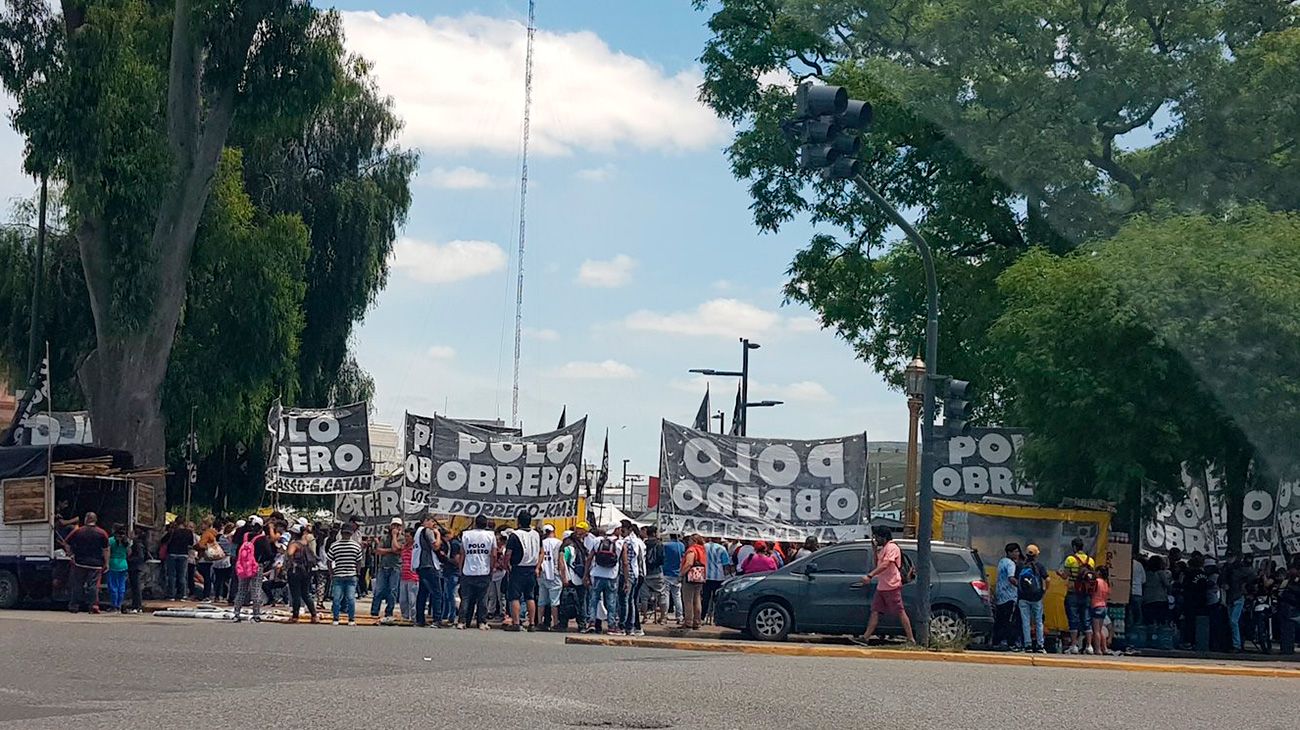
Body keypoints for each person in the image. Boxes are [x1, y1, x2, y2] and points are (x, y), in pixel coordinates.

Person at [853, 526, 915, 646]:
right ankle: (865, 638)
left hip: (891, 585)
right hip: (883, 586)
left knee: (900, 611)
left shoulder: (892, 547)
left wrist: (870, 576)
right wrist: (875, 550)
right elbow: (878, 564)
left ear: (884, 537)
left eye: (877, 537)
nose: (876, 539)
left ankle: (911, 639)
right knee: (875, 611)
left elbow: (886, 564)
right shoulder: (884, 549)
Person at [65, 512, 109, 614]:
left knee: (77, 585)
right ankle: (93, 605)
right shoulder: (102, 533)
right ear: (95, 520)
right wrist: (106, 563)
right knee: (93, 585)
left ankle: (74, 606)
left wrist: (71, 554)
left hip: (80, 562)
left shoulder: (78, 531)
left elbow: (66, 542)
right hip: (96, 564)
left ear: (86, 519)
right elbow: (106, 549)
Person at [233, 516, 275, 623]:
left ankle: (236, 613)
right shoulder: (261, 538)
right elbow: (269, 554)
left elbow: (234, 541)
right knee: (256, 589)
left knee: (241, 589)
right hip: (257, 566)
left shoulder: (244, 536)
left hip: (243, 565)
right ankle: (256, 614)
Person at [1059, 537, 1096, 654]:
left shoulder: (1070, 559)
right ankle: (1089, 646)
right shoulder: (1091, 561)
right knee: (1086, 619)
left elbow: (1066, 575)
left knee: (1073, 619)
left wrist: (1060, 574)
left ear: (1074, 547)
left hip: (1073, 592)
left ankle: (1074, 645)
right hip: (1086, 594)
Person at [505, 512, 541, 632]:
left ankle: (516, 623)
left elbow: (508, 553)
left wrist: (506, 565)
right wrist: (537, 566)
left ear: (518, 522)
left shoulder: (515, 535)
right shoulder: (536, 534)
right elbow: (542, 552)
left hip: (518, 568)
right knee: (529, 596)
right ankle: (531, 623)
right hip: (531, 568)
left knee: (514, 596)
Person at [458, 515, 496, 630]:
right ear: (485, 524)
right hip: (483, 570)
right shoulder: (491, 535)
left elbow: (462, 554)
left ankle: (462, 621)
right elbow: (493, 554)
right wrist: (492, 568)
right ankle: (481, 622)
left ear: (475, 523)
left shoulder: (466, 534)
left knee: (465, 598)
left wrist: (461, 569)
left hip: (468, 570)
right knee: (482, 598)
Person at [585, 525, 623, 634]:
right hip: (612, 576)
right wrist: (626, 580)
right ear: (616, 530)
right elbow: (624, 563)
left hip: (597, 575)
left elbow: (589, 558)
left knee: (593, 600)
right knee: (611, 602)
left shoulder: (597, 541)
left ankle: (591, 623)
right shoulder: (620, 543)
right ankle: (611, 626)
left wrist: (586, 574)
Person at [411, 514, 444, 628]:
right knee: (437, 593)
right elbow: (435, 546)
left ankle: (420, 619)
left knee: (423, 593)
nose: (433, 524)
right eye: (431, 521)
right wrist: (438, 535)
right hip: (429, 565)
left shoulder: (417, 532)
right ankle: (437, 619)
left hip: (420, 565)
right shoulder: (427, 531)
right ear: (425, 521)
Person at [325, 524, 362, 625]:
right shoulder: (356, 546)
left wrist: (331, 572)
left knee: (337, 598)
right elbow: (359, 561)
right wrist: (357, 573)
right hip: (351, 575)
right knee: (350, 598)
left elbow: (328, 560)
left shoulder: (335, 545)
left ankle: (336, 618)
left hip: (339, 575)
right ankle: (351, 619)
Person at [371, 518, 404, 625]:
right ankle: (374, 611)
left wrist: (394, 536)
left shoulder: (402, 539)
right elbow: (378, 551)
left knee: (392, 591)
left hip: (395, 567)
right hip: (383, 567)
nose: (395, 528)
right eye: (394, 525)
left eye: (398, 526)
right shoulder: (384, 537)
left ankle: (389, 611)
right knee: (379, 590)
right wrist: (390, 550)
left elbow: (397, 548)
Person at [1017, 544, 1049, 653]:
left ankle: (1028, 645)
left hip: (1023, 598)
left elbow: (1016, 579)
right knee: (1038, 621)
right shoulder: (1039, 566)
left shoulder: (1020, 565)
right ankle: (1040, 645)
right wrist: (1044, 590)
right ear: (1036, 555)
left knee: (1025, 621)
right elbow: (1047, 579)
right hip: (1036, 597)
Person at [286, 524, 319, 623]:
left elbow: (290, 553)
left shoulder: (294, 544)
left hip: (295, 571)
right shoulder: (305, 543)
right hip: (306, 571)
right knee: (306, 594)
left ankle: (295, 616)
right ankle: (314, 615)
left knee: (296, 594)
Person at [537, 524, 567, 631]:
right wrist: (564, 577)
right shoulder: (559, 543)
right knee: (555, 601)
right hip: (554, 574)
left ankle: (540, 622)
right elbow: (560, 561)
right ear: (553, 531)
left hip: (542, 573)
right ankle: (555, 623)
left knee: (541, 600)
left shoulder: (541, 543)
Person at [1221, 552, 1253, 652]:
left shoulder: (1236, 569)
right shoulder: (1227, 569)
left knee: (1233, 621)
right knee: (1233, 622)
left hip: (1236, 597)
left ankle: (1237, 644)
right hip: (1232, 597)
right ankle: (1235, 643)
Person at [994, 543, 1023, 650]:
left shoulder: (1002, 561)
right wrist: (1021, 586)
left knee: (1000, 620)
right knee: (1009, 621)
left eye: (1018, 551)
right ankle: (1010, 643)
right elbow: (1011, 578)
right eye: (1015, 552)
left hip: (1000, 595)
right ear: (1009, 553)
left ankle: (996, 641)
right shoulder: (1011, 564)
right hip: (1010, 596)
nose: (1017, 554)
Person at [562, 524, 589, 632]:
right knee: (580, 602)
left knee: (568, 601)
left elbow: (563, 562)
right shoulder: (578, 545)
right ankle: (581, 624)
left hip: (573, 577)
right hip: (577, 577)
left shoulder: (569, 545)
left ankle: (564, 623)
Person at [1142, 554, 1173, 643]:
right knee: (1161, 621)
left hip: (1148, 599)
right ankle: (1160, 640)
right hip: (1160, 599)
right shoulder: (1160, 573)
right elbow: (1167, 585)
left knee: (1150, 621)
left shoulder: (1146, 573)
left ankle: (1150, 639)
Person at [701, 536, 732, 623]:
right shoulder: (721, 548)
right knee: (717, 599)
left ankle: (702, 616)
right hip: (718, 577)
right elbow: (725, 563)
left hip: (706, 576)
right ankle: (715, 617)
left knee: (705, 598)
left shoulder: (704, 546)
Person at [680, 534, 708, 631]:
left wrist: (682, 573)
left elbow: (689, 563)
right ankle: (697, 621)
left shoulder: (692, 550)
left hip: (690, 577)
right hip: (699, 576)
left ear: (694, 541)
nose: (688, 542)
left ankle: (689, 621)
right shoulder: (702, 550)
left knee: (688, 600)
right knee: (697, 599)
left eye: (690, 540)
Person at [164, 519, 194, 601]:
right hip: (183, 554)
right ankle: (182, 595)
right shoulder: (189, 532)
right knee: (182, 576)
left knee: (172, 576)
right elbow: (191, 543)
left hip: (172, 554)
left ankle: (171, 595)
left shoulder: (172, 531)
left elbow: (163, 540)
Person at [641, 526, 666, 625]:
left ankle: (645, 617)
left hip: (646, 573)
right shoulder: (659, 544)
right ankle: (663, 617)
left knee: (644, 596)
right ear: (655, 533)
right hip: (657, 572)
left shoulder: (644, 544)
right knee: (662, 594)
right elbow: (662, 559)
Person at [105, 524, 130, 613]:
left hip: (113, 563)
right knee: (121, 585)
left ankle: (114, 605)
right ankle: (119, 604)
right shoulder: (126, 541)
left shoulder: (111, 540)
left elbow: (107, 552)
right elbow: (129, 553)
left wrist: (106, 563)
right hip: (123, 563)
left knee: (113, 585)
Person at [1090, 565, 1114, 655]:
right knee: (1100, 630)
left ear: (1099, 572)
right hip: (1104, 606)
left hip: (1096, 606)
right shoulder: (1105, 583)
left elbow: (1092, 591)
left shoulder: (1097, 582)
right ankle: (1103, 648)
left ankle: (1097, 649)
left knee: (1096, 630)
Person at [662, 533, 684, 624]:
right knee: (677, 596)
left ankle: (665, 615)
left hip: (666, 572)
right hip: (677, 573)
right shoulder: (681, 546)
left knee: (666, 595)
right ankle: (679, 616)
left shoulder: (666, 545)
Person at [125, 527, 148, 613]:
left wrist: (129, 559)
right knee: (135, 587)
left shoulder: (138, 544)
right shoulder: (136, 543)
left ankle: (137, 605)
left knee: (136, 587)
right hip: (135, 567)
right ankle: (136, 605)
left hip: (136, 567)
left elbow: (140, 557)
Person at [211, 522, 234, 603]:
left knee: (217, 579)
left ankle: (216, 596)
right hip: (226, 560)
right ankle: (224, 596)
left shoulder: (218, 537)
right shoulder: (230, 538)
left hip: (217, 560)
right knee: (226, 579)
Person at [399, 527, 418, 622]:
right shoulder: (404, 547)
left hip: (413, 577)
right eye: (405, 536)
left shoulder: (416, 547)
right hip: (404, 576)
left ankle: (414, 618)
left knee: (412, 600)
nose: (406, 538)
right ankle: (405, 617)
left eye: (408, 536)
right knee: (403, 600)